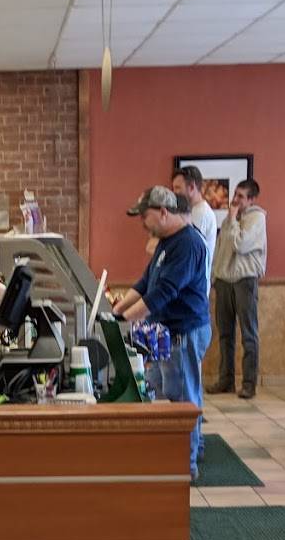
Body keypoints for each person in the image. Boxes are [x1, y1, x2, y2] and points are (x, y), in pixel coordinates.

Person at [112, 186, 211, 479]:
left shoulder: (188, 244)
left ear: (163, 212)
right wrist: (117, 311)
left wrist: (125, 321)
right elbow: (146, 284)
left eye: (145, 216)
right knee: (161, 387)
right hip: (168, 331)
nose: (142, 223)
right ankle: (193, 448)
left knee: (184, 399)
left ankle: (187, 466)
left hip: (185, 331)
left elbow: (164, 292)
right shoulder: (168, 242)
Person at [207, 178, 267, 399]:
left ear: (251, 199)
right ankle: (226, 380)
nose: (235, 200)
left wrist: (232, 220)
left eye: (241, 196)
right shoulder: (231, 219)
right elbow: (221, 248)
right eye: (235, 195)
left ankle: (249, 384)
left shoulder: (257, 218)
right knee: (225, 334)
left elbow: (240, 245)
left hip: (244, 281)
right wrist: (214, 276)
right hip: (224, 281)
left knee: (249, 334)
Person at [172, 165, 217, 279]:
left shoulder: (201, 213)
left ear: (192, 187)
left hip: (194, 283)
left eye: (178, 188)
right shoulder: (192, 211)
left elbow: (187, 249)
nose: (174, 193)